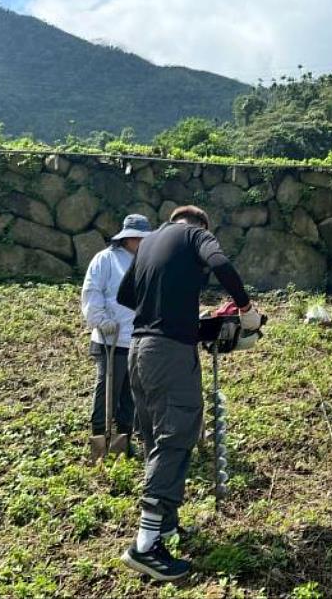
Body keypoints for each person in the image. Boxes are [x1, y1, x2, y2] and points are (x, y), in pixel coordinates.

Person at [117, 205, 262, 581]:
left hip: (138, 349)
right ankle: (145, 545)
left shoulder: (148, 244)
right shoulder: (195, 235)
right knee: (176, 435)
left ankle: (165, 526)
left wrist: (183, 318)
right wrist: (245, 308)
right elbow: (222, 264)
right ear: (201, 224)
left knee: (154, 438)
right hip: (168, 355)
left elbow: (126, 294)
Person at [81, 214, 153, 460]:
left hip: (137, 337)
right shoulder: (105, 260)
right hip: (110, 338)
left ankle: (124, 437)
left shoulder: (148, 261)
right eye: (139, 238)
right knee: (107, 388)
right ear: (128, 238)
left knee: (131, 393)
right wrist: (100, 320)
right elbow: (92, 292)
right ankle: (100, 434)